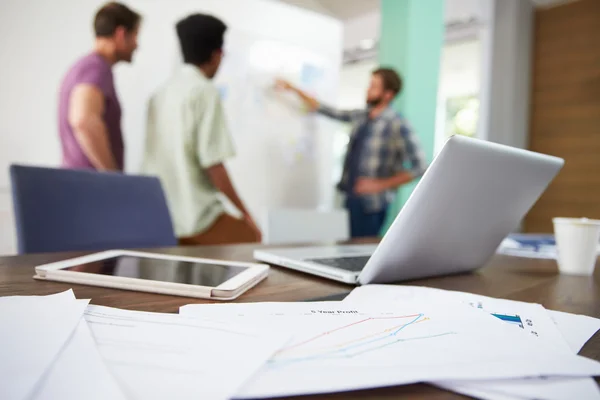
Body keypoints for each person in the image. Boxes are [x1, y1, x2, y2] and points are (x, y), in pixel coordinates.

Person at [140, 14, 261, 245]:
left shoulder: (159, 94)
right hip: (196, 220)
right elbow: (213, 164)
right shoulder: (204, 91)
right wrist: (246, 214)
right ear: (217, 55)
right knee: (252, 238)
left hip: (160, 219)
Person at [276, 68, 427, 238]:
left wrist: (379, 184)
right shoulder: (361, 116)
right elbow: (326, 110)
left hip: (372, 204)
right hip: (350, 198)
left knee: (362, 255)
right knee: (345, 251)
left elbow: (420, 167)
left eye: (373, 86)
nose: (367, 90)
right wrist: (293, 89)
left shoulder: (398, 124)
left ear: (388, 94)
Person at [58, 2, 141, 172]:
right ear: (121, 34)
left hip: (81, 182)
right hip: (89, 186)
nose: (136, 45)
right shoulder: (95, 67)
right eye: (134, 36)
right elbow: (83, 120)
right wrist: (111, 175)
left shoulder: (84, 67)